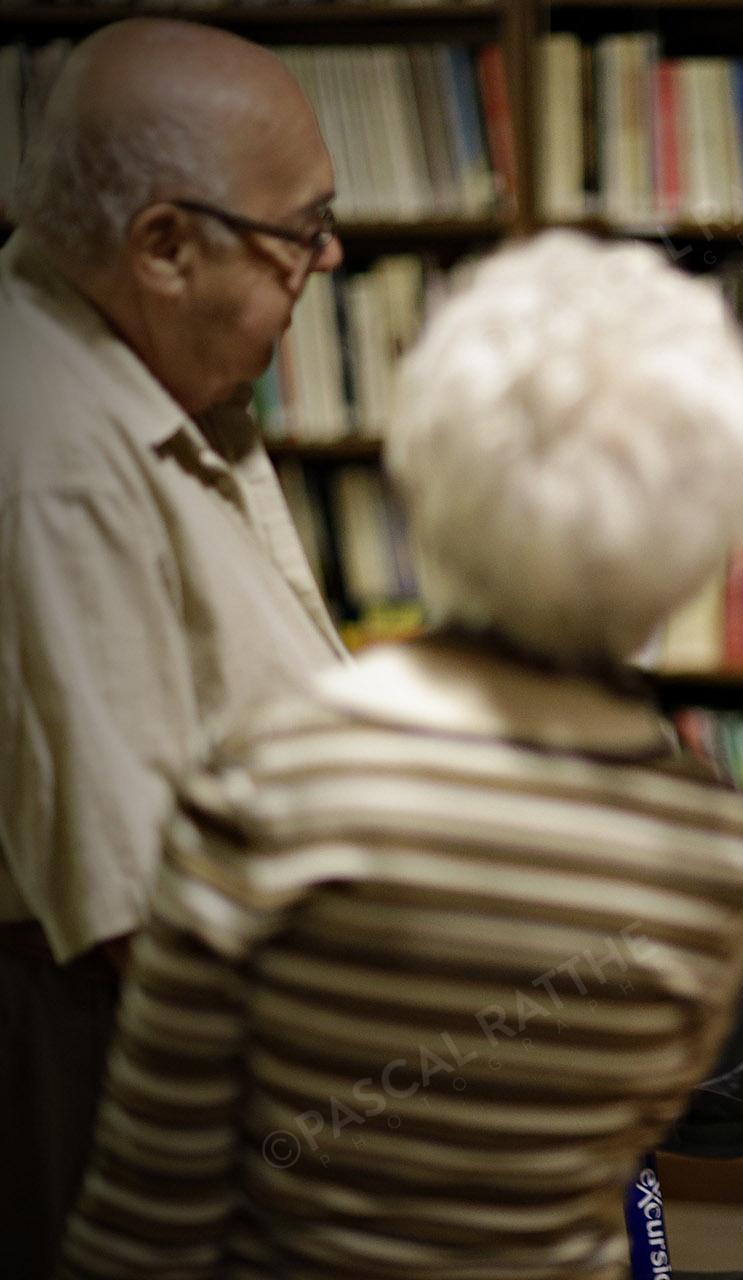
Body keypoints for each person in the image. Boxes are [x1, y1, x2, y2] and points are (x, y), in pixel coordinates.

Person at [56, 228, 743, 1279]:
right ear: (709, 530)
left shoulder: (274, 773)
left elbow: (151, 1199)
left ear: (424, 464)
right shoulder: (714, 847)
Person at [0, 20, 350, 1273]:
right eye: (302, 228)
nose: (332, 252)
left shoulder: (154, 378)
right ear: (164, 246)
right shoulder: (45, 453)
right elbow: (145, 922)